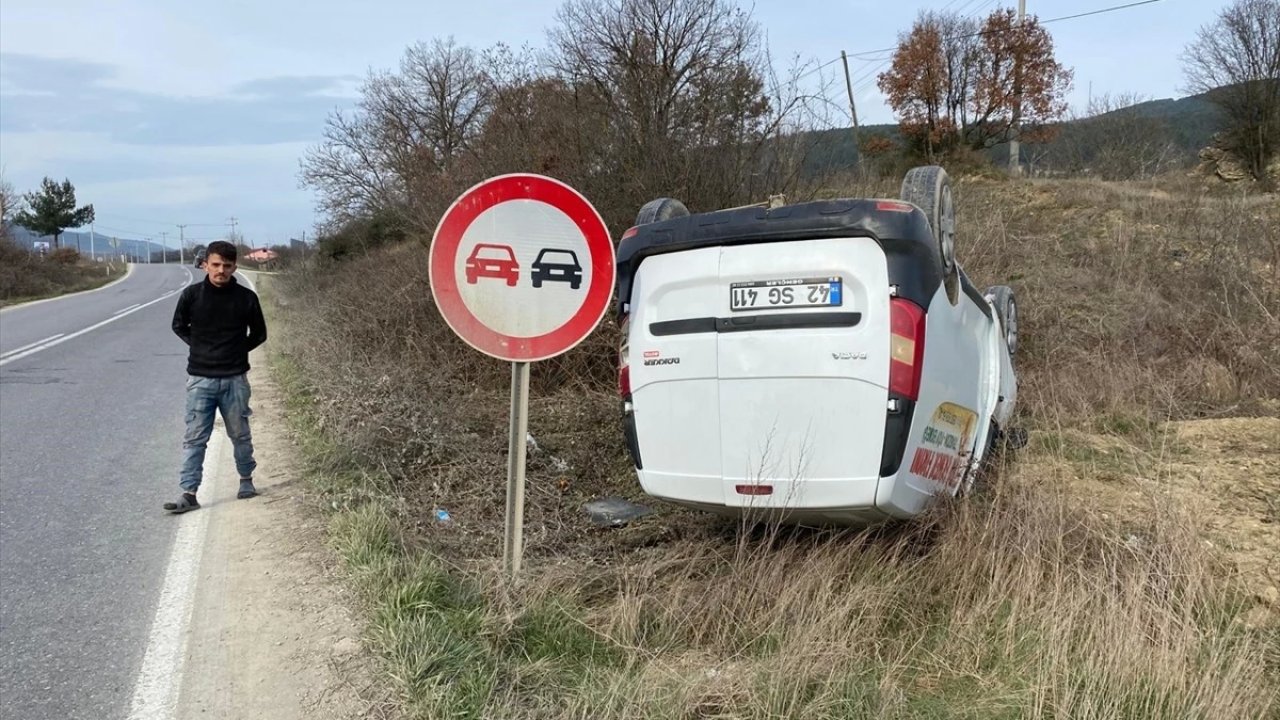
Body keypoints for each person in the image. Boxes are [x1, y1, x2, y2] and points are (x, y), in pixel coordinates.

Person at [164, 240, 267, 513]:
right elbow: (178, 325)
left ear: (234, 267)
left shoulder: (247, 299)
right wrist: (199, 346)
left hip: (234, 379)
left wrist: (235, 351)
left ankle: (246, 480)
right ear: (205, 264)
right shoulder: (191, 296)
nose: (221, 270)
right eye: (216, 264)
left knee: (240, 434)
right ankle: (188, 493)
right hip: (200, 379)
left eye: (227, 265)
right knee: (195, 437)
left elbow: (259, 334)